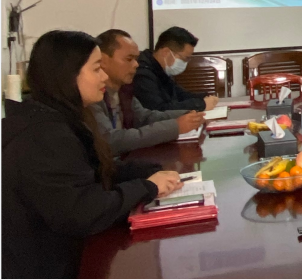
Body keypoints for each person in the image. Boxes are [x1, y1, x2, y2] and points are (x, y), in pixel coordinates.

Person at [2, 30, 184, 278]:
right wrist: (147, 187)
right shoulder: (44, 136)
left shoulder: (59, 117)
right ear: (68, 75)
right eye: (97, 68)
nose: (104, 76)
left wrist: (149, 170)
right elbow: (84, 211)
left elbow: (91, 169)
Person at [91, 29, 207, 155]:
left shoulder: (124, 90)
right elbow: (111, 140)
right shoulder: (91, 95)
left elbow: (145, 117)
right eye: (129, 59)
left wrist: (189, 114)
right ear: (103, 60)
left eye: (136, 59)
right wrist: (175, 127)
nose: (136, 64)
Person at [134, 26, 218, 111]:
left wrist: (205, 97)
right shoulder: (142, 74)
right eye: (185, 58)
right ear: (166, 52)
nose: (186, 63)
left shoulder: (162, 69)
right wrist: (201, 105)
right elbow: (159, 109)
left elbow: (180, 95)